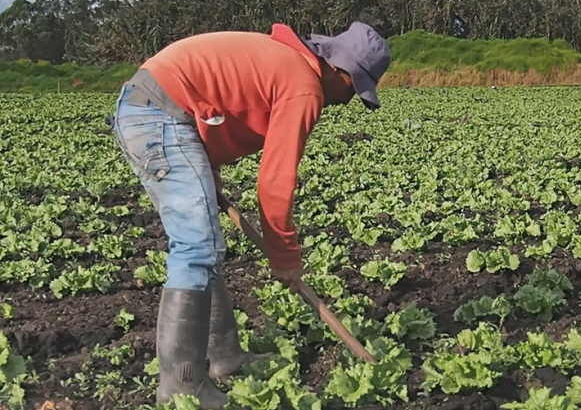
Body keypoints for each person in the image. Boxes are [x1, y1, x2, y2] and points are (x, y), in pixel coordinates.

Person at [110, 21, 391, 408]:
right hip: (159, 114)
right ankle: (182, 385)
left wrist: (211, 177)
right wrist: (286, 257)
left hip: (154, 109)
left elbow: (215, 100)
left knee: (203, 246)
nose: (345, 102)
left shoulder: (288, 63)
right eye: (353, 90)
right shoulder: (303, 85)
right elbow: (275, 183)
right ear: (342, 72)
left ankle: (225, 358)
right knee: (195, 248)